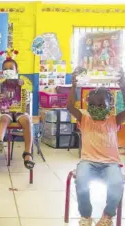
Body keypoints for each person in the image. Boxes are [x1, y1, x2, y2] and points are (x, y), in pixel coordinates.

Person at [67, 67, 125, 226]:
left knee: (116, 184)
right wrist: (74, 86)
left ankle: (107, 216)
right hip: (88, 162)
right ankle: (86, 216)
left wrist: (123, 86)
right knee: (81, 182)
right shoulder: (84, 119)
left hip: (111, 163)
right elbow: (70, 107)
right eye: (92, 104)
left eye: (101, 104)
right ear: (87, 105)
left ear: (109, 104)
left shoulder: (114, 121)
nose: (96, 108)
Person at [0, 59, 35, 169]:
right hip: (5, 111)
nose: (8, 71)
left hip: (19, 111)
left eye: (11, 69)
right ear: (2, 72)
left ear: (17, 70)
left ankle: (27, 153)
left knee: (27, 120)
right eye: (5, 69)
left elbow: (28, 102)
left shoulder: (23, 83)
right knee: (3, 119)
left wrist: (25, 99)